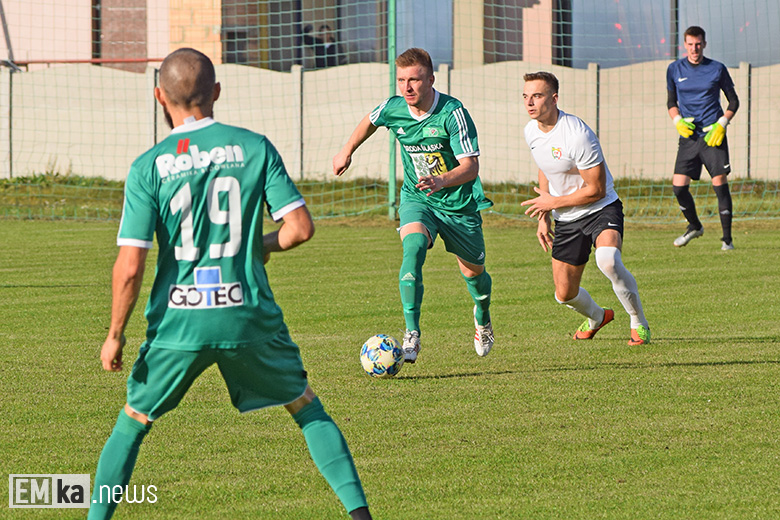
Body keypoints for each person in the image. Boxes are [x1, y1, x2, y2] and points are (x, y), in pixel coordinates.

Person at [89, 48, 371, 520]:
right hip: (247, 313)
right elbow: (300, 228)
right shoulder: (254, 147)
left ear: (159, 96)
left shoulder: (148, 166)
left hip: (179, 322)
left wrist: (115, 334)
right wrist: (258, 246)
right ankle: (359, 515)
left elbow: (130, 266)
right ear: (216, 92)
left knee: (134, 420)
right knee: (306, 408)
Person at [333, 47, 494, 363]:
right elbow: (371, 120)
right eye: (401, 80)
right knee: (414, 247)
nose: (407, 87)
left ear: (431, 79)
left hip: (458, 205)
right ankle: (412, 334)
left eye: (415, 80)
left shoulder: (452, 113)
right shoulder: (394, 108)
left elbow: (471, 167)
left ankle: (483, 316)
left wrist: (442, 180)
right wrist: (347, 150)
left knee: (475, 276)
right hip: (418, 198)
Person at [521, 71, 650, 346]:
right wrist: (543, 216)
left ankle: (638, 322)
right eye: (525, 96)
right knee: (564, 294)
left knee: (609, 261)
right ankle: (598, 316)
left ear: (554, 99)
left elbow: (596, 190)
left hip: (601, 209)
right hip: (566, 218)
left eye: (537, 96)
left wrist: (551, 203)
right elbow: (546, 169)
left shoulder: (577, 134)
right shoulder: (530, 131)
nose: (529, 102)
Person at [667, 25, 739, 250]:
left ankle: (727, 241)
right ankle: (695, 226)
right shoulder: (674, 69)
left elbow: (733, 101)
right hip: (689, 137)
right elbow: (671, 102)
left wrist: (722, 123)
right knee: (678, 187)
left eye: (698, 44)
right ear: (685, 45)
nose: (694, 48)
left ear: (704, 44)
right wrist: (677, 120)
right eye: (690, 44)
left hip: (712, 136)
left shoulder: (717, 69)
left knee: (719, 184)